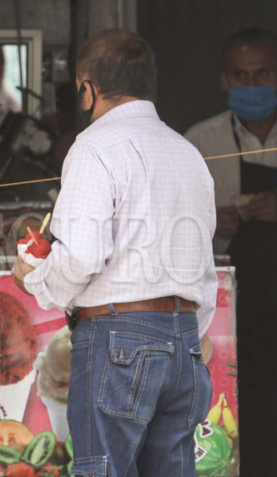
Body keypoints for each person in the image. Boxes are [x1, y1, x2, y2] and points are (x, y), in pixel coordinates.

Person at [13, 30, 217, 477]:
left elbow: (82, 256)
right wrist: (182, 333)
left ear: (87, 89)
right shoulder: (189, 154)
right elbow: (205, 272)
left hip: (119, 340)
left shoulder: (94, 146)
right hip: (184, 343)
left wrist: (33, 278)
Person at [184, 27, 277, 477]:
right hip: (234, 309)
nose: (253, 84)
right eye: (241, 75)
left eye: (263, 73)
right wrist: (208, 227)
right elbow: (175, 233)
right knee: (244, 404)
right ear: (224, 81)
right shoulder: (200, 143)